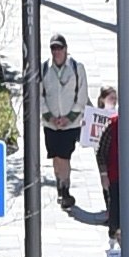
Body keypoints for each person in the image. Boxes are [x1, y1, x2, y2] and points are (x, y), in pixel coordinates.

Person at [40, 31, 90, 204]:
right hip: (50, 123)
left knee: (64, 156)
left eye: (59, 48)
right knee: (55, 156)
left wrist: (69, 117)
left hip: (70, 123)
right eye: (53, 48)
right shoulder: (44, 68)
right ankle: (59, 184)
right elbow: (39, 95)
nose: (56, 52)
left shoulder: (77, 68)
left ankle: (65, 189)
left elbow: (82, 95)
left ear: (66, 49)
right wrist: (49, 116)